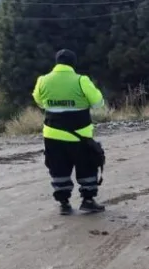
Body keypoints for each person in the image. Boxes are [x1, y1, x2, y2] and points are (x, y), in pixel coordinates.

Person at [32, 49, 106, 215]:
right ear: (73, 63)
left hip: (52, 135)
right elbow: (98, 102)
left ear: (57, 62)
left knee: (58, 169)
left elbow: (39, 101)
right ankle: (88, 200)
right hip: (80, 135)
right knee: (87, 167)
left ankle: (64, 203)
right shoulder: (81, 80)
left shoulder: (42, 80)